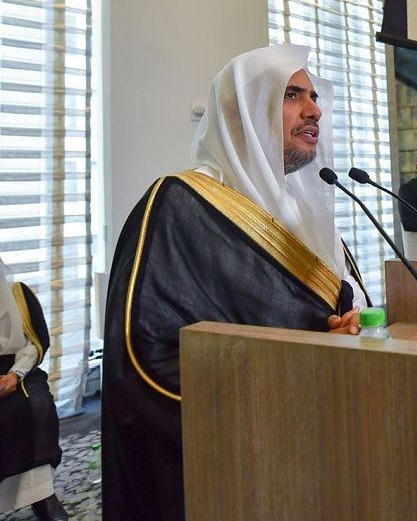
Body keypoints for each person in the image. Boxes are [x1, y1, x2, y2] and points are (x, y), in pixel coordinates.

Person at [102, 45, 369, 521]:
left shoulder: (310, 217)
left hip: (327, 445)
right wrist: (293, 371)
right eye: (292, 95)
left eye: (313, 96)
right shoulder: (178, 204)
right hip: (227, 473)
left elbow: (351, 311)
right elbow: (142, 356)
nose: (315, 111)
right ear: (240, 112)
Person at [0, 260, 67, 521]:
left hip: (18, 368)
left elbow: (35, 341)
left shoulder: (18, 293)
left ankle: (41, 494)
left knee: (37, 406)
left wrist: (15, 375)